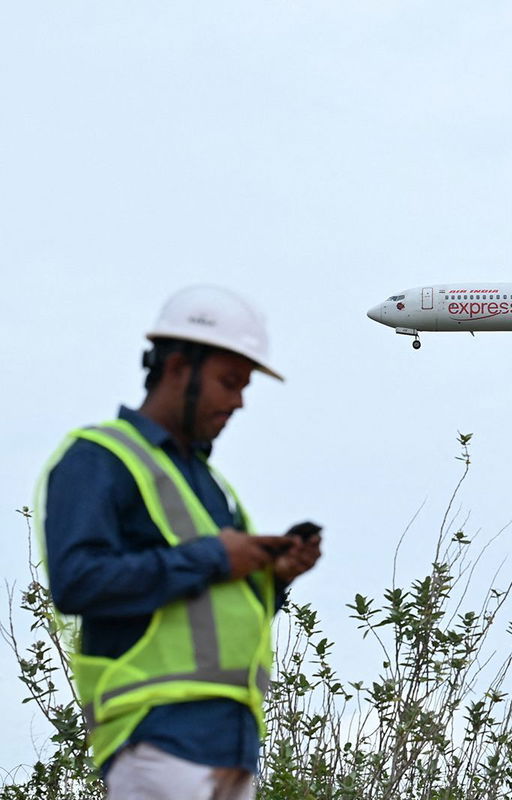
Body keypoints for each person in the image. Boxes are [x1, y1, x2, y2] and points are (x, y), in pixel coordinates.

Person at [35, 285, 322, 800]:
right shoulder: (97, 458)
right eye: (229, 382)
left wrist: (271, 580)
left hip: (229, 748)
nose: (238, 401)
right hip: (157, 737)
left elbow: (210, 611)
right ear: (176, 370)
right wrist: (216, 556)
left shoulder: (209, 485)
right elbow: (78, 582)